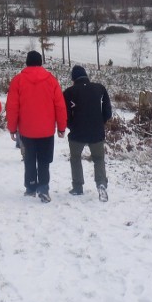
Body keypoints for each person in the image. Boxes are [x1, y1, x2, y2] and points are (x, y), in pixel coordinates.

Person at [5, 50, 67, 203]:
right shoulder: (51, 80)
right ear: (41, 63)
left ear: (26, 62)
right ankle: (44, 188)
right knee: (44, 160)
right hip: (46, 130)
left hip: (26, 130)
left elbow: (12, 106)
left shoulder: (18, 80)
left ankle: (31, 187)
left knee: (29, 159)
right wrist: (61, 127)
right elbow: (60, 105)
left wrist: (12, 128)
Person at [63, 65, 112, 202]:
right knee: (98, 159)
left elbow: (65, 113)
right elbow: (107, 110)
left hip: (77, 132)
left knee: (75, 158)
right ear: (86, 76)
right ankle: (101, 183)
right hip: (96, 131)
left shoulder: (69, 92)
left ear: (73, 78)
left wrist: (71, 125)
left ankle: (78, 186)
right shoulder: (100, 88)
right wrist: (101, 121)